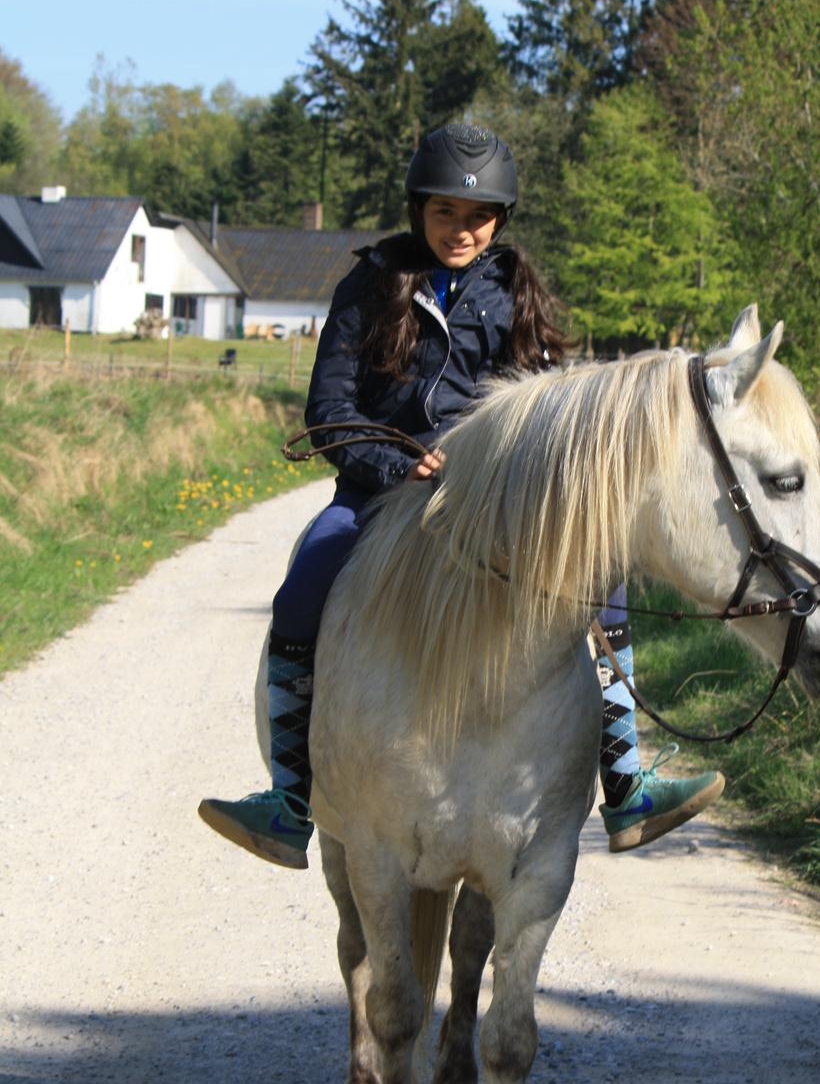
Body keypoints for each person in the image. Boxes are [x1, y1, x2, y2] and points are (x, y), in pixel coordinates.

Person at [198, 124, 725, 870]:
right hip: (377, 493)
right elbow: (329, 409)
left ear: (499, 221)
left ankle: (626, 784)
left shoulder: (514, 289)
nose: (462, 229)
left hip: (491, 498)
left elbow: (544, 405)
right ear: (419, 210)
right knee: (306, 582)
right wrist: (393, 465)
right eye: (446, 213)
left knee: (603, 590)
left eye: (477, 217)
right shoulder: (369, 284)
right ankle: (288, 801)